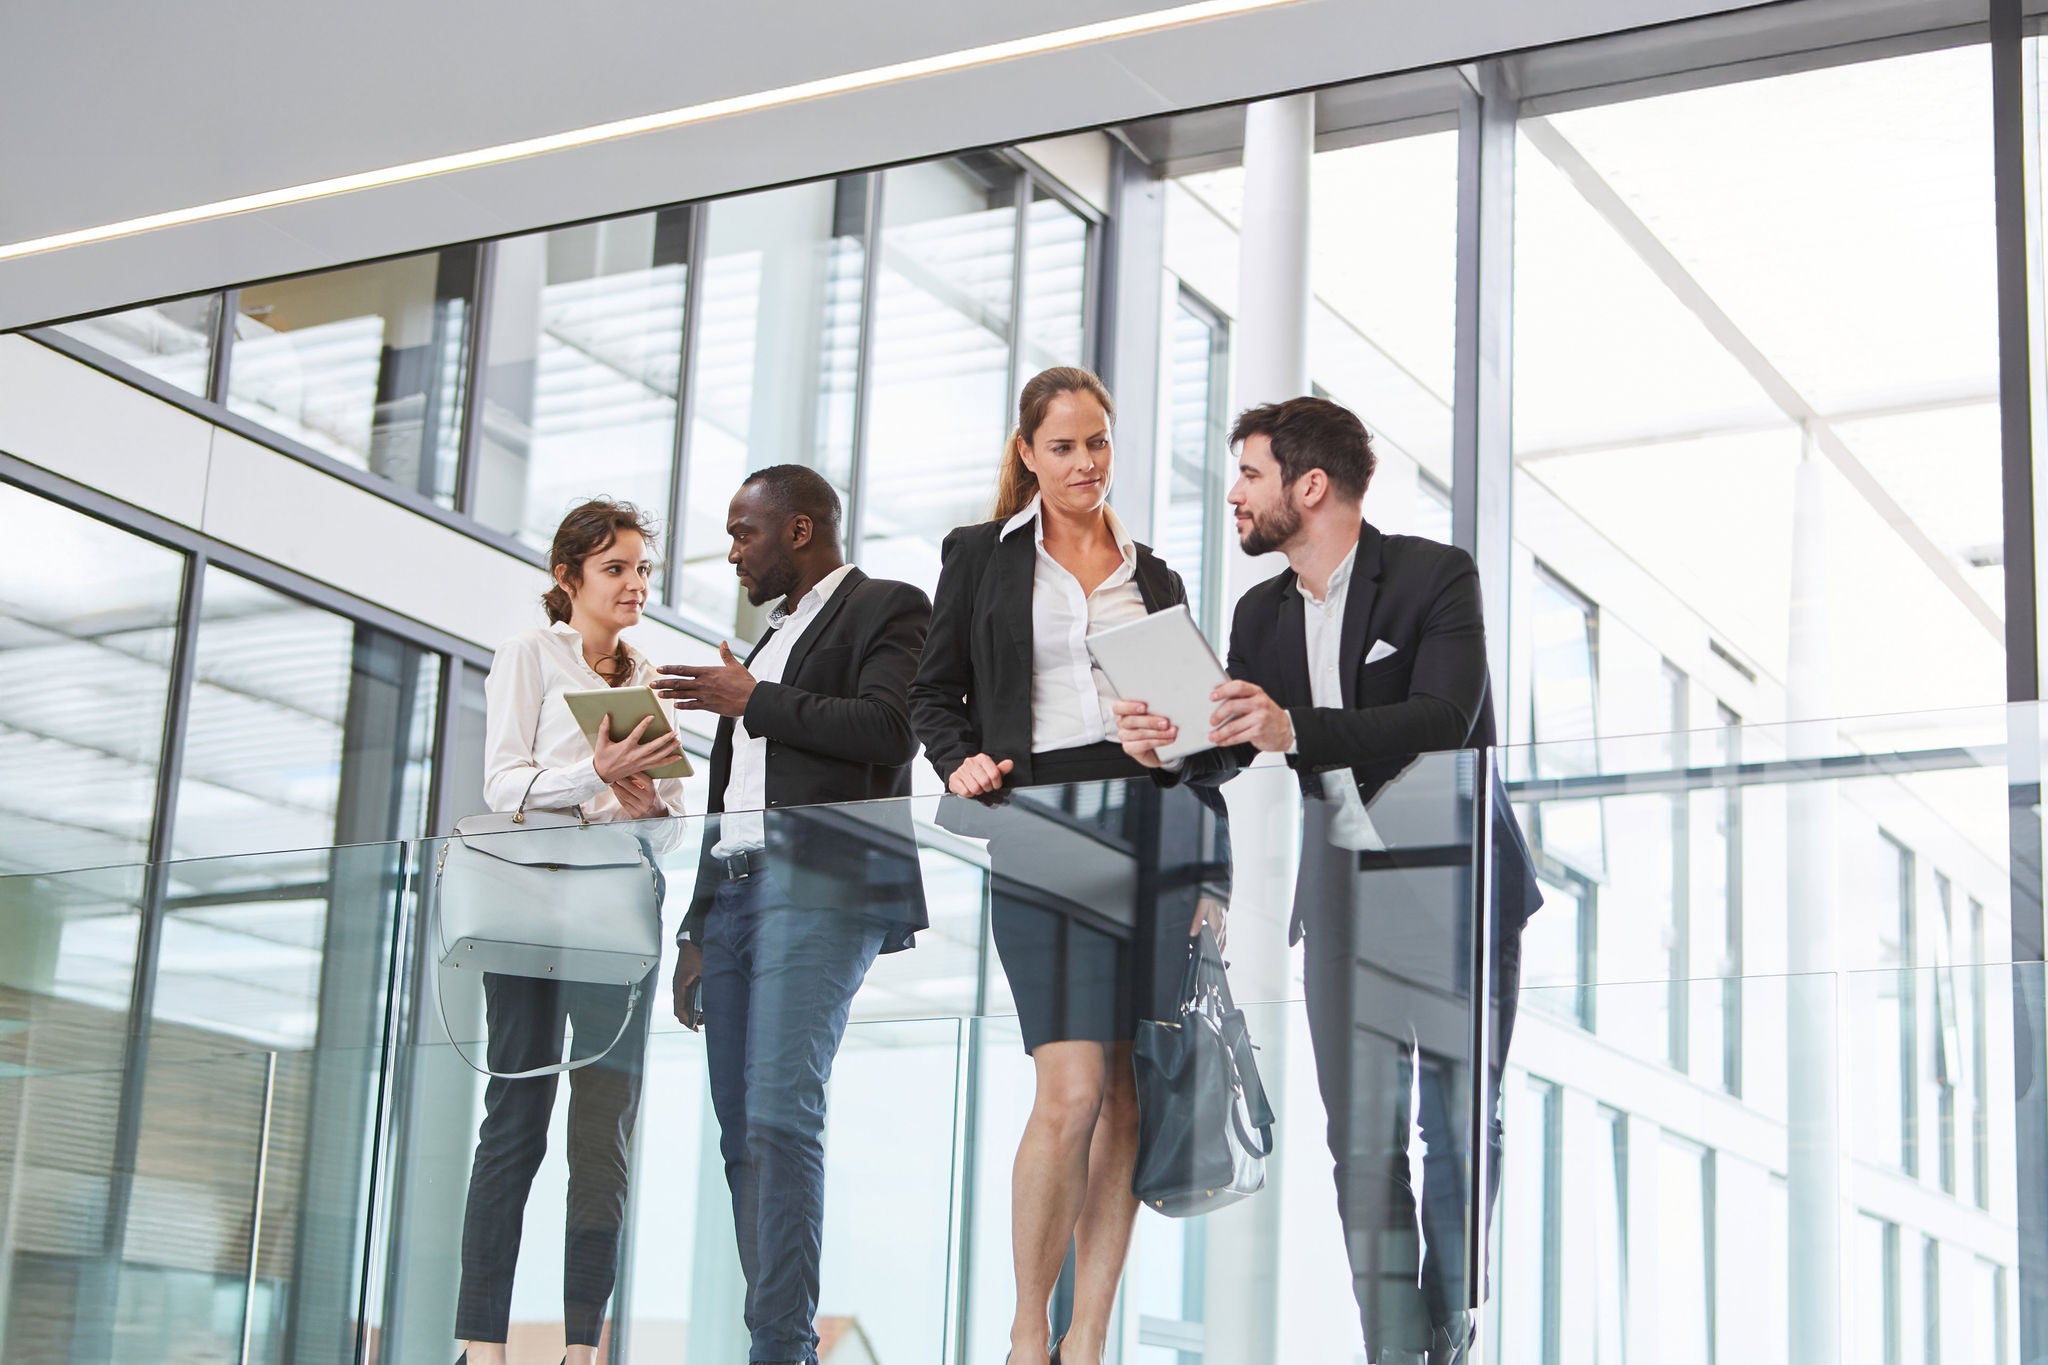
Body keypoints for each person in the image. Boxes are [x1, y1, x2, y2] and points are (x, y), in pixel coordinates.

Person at [1114, 397, 1540, 1365]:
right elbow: (1230, 744)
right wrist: (1164, 747)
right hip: (1342, 896)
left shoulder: (1434, 577)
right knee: (1359, 1140)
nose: (1234, 494)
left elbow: (1442, 717)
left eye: (1250, 475)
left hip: (1456, 886)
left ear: (1309, 486)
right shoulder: (1259, 611)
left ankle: (1451, 1316)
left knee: (1459, 1120)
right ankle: (1393, 1347)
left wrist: (1292, 729)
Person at [909, 367, 1229, 1365]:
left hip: (1152, 827)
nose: (1084, 464)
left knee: (1127, 1091)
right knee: (1069, 1090)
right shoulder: (979, 558)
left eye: (1096, 443)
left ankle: (1088, 1337)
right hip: (1039, 822)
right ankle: (1024, 1332)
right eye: (1063, 447)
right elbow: (933, 694)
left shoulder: (1156, 576)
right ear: (1026, 454)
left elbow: (1211, 748)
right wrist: (954, 755)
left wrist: (1208, 870)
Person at [654, 465, 931, 1365]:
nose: (734, 551)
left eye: (745, 533)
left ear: (801, 530)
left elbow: (892, 728)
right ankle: (779, 1337)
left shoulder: (889, 605)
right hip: (733, 894)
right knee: (741, 1131)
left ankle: (780, 1351)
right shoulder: (767, 638)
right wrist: (696, 926)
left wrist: (754, 701)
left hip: (822, 883)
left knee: (779, 1112)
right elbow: (731, 791)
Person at [456, 498, 689, 1365]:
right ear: (569, 578)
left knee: (605, 1129)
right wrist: (590, 771)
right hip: (528, 908)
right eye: (616, 569)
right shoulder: (529, 653)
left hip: (615, 914)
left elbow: (664, 827)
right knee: (514, 1115)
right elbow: (501, 783)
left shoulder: (649, 673)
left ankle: (582, 1348)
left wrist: (641, 802)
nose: (634, 586)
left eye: (641, 570)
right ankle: (482, 1347)